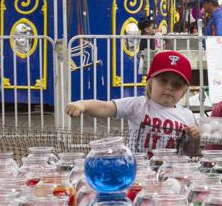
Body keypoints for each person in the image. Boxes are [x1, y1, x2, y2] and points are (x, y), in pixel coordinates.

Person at [65, 50, 200, 154]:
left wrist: (194, 138)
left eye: (176, 85)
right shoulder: (138, 105)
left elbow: (190, 152)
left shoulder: (187, 115)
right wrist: (82, 105)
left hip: (172, 173)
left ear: (183, 91)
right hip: (139, 170)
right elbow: (105, 107)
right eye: (163, 81)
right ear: (150, 82)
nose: (169, 87)